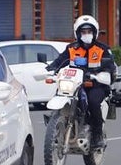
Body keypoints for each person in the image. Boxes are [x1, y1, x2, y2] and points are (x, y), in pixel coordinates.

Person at [46, 14, 117, 150]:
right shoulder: (72, 48)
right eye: (83, 32)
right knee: (59, 93)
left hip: (96, 85)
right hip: (75, 83)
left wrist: (101, 73)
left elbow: (110, 66)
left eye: (89, 32)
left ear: (94, 33)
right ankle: (56, 123)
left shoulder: (103, 49)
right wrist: (52, 68)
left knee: (93, 103)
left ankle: (97, 136)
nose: (86, 34)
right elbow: (61, 60)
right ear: (78, 33)